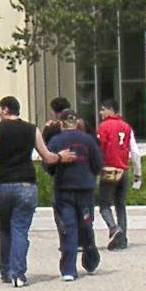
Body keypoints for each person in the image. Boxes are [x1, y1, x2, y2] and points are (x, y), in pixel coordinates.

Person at [0, 95, 70, 288]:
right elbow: (46, 156)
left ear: (6, 110)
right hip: (26, 184)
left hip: (4, 184)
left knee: (4, 228)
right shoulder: (32, 129)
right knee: (20, 229)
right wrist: (61, 157)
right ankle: (18, 274)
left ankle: (6, 270)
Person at [44, 109, 103, 280]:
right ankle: (90, 260)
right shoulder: (88, 140)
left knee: (68, 228)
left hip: (64, 189)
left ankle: (69, 269)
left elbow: (48, 165)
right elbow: (98, 164)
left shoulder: (56, 141)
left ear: (61, 124)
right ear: (77, 122)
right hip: (85, 189)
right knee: (86, 224)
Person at [95, 99, 142, 250]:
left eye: (103, 109)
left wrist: (96, 167)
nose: (101, 113)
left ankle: (114, 228)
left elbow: (100, 148)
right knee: (120, 205)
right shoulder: (126, 127)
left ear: (110, 110)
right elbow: (135, 152)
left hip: (109, 168)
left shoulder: (103, 127)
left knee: (104, 204)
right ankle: (123, 239)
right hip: (123, 169)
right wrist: (137, 174)